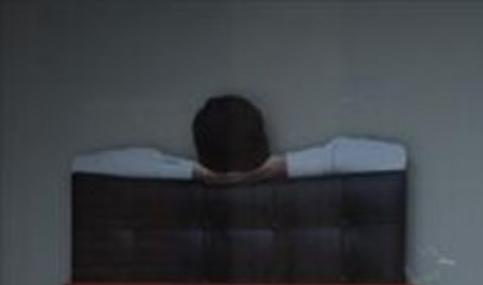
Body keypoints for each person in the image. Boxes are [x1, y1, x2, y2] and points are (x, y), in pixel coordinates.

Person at [71, 94, 405, 182]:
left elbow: (89, 165)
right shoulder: (282, 171)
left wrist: (189, 173)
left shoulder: (183, 177)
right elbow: (392, 156)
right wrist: (285, 166)